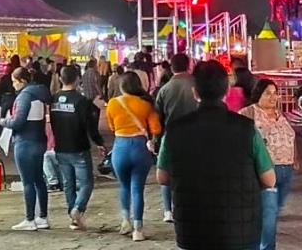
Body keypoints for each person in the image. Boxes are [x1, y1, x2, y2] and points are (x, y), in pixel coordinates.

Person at [157, 60, 276, 250]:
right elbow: (269, 179)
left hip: (192, 231)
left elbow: (162, 177)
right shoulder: (246, 129)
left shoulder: (174, 131)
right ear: (227, 90)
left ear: (195, 92)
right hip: (240, 231)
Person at [106, 70, 163, 241]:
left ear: (121, 86)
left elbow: (111, 127)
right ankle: (138, 229)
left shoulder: (113, 103)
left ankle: (125, 222)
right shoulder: (146, 104)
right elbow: (157, 129)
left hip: (120, 148)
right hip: (140, 149)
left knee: (124, 186)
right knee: (137, 188)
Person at [242, 78, 296, 250]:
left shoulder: (280, 115)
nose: (273, 97)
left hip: (286, 169)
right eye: (268, 93)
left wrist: (296, 157)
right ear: (258, 94)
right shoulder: (248, 114)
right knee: (269, 214)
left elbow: (290, 135)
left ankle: (257, 241)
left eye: (275, 93)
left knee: (273, 211)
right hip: (265, 170)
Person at [50, 63, 106, 230]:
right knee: (86, 182)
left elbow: (53, 123)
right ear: (77, 79)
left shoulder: (54, 99)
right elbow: (89, 126)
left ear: (60, 79)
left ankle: (73, 217)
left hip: (61, 147)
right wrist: (99, 143)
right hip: (79, 147)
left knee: (68, 183)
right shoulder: (81, 101)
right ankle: (77, 209)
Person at [0, 66, 53, 231]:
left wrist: (3, 121)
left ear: (22, 81)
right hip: (39, 141)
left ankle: (30, 219)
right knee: (39, 180)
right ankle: (42, 217)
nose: (14, 85)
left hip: (25, 142)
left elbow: (18, 122)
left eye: (15, 82)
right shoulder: (40, 93)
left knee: (28, 182)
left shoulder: (24, 96)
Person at [155, 52, 199, 224]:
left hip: (171, 135)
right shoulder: (197, 84)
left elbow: (158, 117)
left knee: (167, 172)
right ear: (189, 65)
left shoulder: (164, 89)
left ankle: (168, 210)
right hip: (195, 134)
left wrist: (156, 139)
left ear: (171, 68)